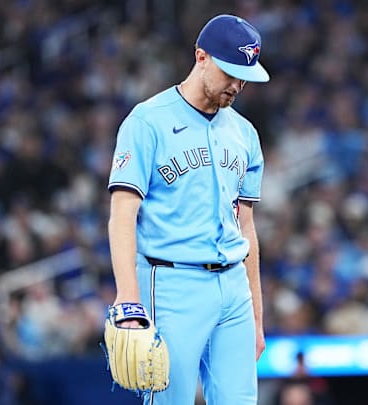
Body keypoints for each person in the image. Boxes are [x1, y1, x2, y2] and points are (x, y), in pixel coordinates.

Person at [107, 13, 269, 404]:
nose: (238, 84)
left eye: (244, 75)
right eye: (230, 72)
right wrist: (129, 298)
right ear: (201, 57)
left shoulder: (245, 133)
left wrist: (257, 317)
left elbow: (246, 227)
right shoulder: (147, 122)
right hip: (171, 284)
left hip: (233, 290)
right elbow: (122, 215)